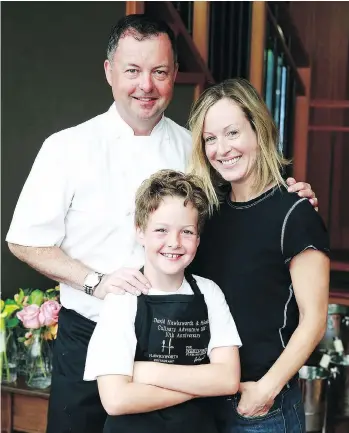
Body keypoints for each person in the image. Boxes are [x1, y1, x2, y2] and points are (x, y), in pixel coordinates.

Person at [6, 14, 317, 433]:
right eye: (132, 71)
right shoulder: (66, 148)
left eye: (159, 72)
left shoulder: (194, 149)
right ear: (109, 72)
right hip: (87, 336)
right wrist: (94, 280)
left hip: (177, 340)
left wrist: (290, 193)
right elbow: (25, 241)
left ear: (173, 76)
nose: (146, 86)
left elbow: (243, 203)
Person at [185, 78, 330, 433]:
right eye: (210, 139)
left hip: (262, 409)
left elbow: (314, 320)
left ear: (258, 130)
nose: (222, 148)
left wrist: (265, 390)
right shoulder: (207, 213)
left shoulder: (295, 214)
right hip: (203, 401)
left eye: (232, 133)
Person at [83, 169, 241, 433]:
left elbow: (227, 380)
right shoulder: (123, 298)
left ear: (198, 238)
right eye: (161, 230)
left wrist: (144, 373)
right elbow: (116, 399)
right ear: (140, 232)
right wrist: (200, 388)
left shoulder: (209, 293)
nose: (174, 242)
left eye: (187, 232)